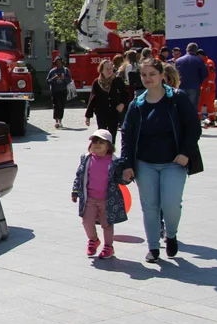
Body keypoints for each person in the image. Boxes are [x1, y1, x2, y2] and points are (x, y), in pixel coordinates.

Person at [120, 59, 203, 263]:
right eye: (144, 75)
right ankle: (153, 247)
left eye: (152, 74)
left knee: (171, 204)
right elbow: (127, 134)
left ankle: (171, 234)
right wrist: (127, 164)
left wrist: (185, 152)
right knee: (150, 206)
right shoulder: (137, 103)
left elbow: (194, 128)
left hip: (174, 162)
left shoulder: (177, 98)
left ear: (161, 76)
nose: (148, 79)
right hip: (145, 163)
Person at [72, 129, 129, 260]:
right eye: (94, 142)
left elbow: (120, 179)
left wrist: (127, 177)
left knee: (107, 224)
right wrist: (75, 190)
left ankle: (108, 246)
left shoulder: (115, 162)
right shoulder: (86, 159)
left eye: (101, 142)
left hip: (108, 199)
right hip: (90, 198)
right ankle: (93, 240)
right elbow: (79, 176)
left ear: (109, 145)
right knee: (87, 221)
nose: (96, 144)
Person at [84, 59, 128, 143]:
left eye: (111, 68)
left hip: (114, 112)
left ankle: (110, 152)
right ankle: (103, 153)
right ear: (101, 70)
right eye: (107, 69)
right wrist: (88, 116)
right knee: (102, 134)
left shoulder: (117, 81)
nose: (109, 71)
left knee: (112, 134)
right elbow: (92, 99)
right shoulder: (97, 82)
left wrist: (122, 104)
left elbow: (125, 95)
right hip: (101, 112)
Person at [174, 42, 208, 110]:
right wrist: (199, 82)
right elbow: (205, 74)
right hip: (194, 87)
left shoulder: (178, 61)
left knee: (181, 108)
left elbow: (175, 74)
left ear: (186, 49)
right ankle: (192, 120)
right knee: (192, 108)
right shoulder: (199, 61)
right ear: (196, 51)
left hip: (181, 87)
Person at [47, 58, 72, 129]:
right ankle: (56, 121)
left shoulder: (65, 70)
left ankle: (60, 120)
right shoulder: (52, 71)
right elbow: (48, 81)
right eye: (57, 63)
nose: (58, 64)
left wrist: (64, 78)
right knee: (56, 106)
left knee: (62, 105)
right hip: (55, 91)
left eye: (59, 62)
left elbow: (69, 80)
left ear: (62, 63)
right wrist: (54, 78)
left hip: (63, 90)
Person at [196, 50, 217, 127]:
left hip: (208, 87)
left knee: (209, 103)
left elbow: (212, 75)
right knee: (199, 103)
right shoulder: (200, 63)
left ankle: (212, 119)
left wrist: (209, 85)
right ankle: (197, 119)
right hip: (202, 86)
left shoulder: (209, 63)